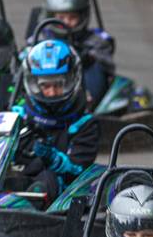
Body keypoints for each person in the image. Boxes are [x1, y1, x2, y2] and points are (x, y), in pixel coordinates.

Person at [13, 39, 100, 200]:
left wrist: (52, 157)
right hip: (17, 181)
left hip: (62, 195)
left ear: (72, 79)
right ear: (33, 83)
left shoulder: (84, 124)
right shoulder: (18, 116)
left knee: (47, 180)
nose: (52, 93)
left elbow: (78, 170)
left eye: (58, 85)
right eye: (45, 86)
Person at [39, 0, 115, 106]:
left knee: (94, 66)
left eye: (72, 17)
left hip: (84, 90)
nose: (66, 22)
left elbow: (107, 64)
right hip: (48, 90)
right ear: (51, 16)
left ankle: (87, 105)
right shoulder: (42, 38)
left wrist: (87, 57)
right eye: (61, 17)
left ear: (82, 16)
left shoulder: (96, 40)